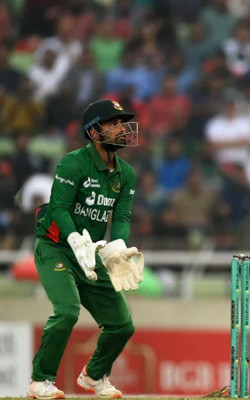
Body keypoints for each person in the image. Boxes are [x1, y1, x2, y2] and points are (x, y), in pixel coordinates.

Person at [27, 99, 145, 399]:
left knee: (122, 325)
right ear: (94, 132)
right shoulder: (73, 163)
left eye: (123, 122)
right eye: (114, 123)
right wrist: (74, 239)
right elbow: (59, 208)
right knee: (67, 311)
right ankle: (40, 381)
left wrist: (117, 246)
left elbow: (120, 215)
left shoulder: (126, 173)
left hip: (90, 252)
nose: (122, 128)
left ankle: (94, 375)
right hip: (55, 247)